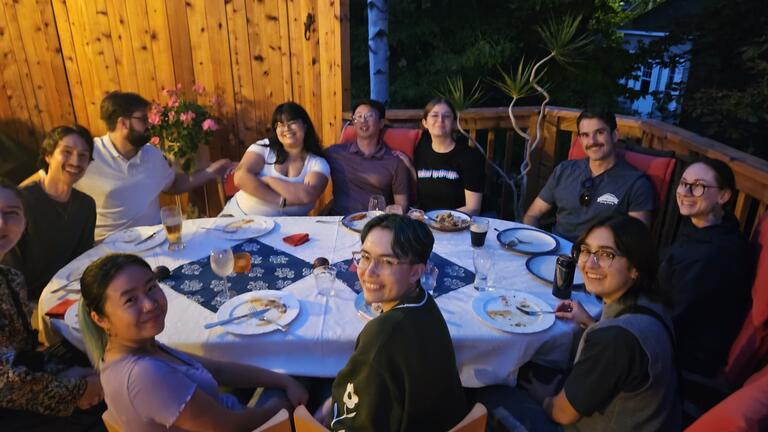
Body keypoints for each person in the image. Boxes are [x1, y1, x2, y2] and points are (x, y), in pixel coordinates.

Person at [78, 253, 309, 431]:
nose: (149, 304)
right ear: (100, 319)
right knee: (316, 379)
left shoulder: (138, 347)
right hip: (239, 424)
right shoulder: (144, 375)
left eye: (151, 287)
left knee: (294, 374)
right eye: (130, 300)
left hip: (229, 412)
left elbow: (219, 370)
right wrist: (282, 408)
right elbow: (229, 426)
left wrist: (282, 380)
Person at [318, 214, 468, 431]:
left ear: (416, 272)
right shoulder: (424, 302)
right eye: (366, 257)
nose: (368, 272)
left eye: (387, 262)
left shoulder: (381, 337)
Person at [544, 215, 680, 430]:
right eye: (586, 250)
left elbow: (562, 414)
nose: (589, 264)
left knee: (495, 392)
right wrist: (591, 322)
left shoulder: (615, 340)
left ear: (635, 267)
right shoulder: (654, 304)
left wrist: (540, 397)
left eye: (606, 254)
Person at [0, 178, 104, 430]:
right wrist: (78, 390)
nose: (2, 223)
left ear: (25, 222)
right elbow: (5, 383)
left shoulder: (11, 278)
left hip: (24, 380)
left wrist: (61, 372)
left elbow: (20, 354)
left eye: (11, 214)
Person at [74, 91, 232, 241]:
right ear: (123, 123)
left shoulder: (152, 154)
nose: (149, 124)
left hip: (155, 240)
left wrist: (212, 171)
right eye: (143, 119)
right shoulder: (87, 155)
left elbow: (173, 185)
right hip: (109, 248)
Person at [659, 158, 754, 377]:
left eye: (699, 186)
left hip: (680, 359)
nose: (686, 191)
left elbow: (675, 318)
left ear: (724, 196)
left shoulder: (712, 257)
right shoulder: (715, 226)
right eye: (683, 183)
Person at [523, 109, 655, 241]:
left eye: (599, 132)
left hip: (597, 258)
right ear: (580, 140)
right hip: (556, 250)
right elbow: (532, 215)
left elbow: (637, 241)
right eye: (585, 135)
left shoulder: (636, 183)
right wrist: (534, 242)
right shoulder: (564, 170)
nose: (592, 141)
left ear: (614, 135)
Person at [2, 126, 96, 302]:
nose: (75, 162)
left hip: (71, 295)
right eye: (67, 152)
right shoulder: (20, 204)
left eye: (83, 155)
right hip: (28, 301)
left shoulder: (86, 206)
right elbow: (9, 269)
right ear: (48, 156)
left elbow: (83, 259)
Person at [223, 102, 330, 216]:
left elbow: (308, 195)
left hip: (290, 229)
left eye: (292, 123)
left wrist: (268, 180)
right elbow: (240, 177)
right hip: (239, 216)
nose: (286, 128)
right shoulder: (263, 148)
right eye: (280, 125)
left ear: (305, 125)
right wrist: (279, 201)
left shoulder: (317, 163)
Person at [396, 98, 484, 214]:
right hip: (427, 221)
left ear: (453, 123)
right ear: (425, 123)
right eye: (434, 115)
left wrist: (438, 219)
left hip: (461, 222)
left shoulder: (469, 157)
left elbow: (473, 208)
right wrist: (409, 166)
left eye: (446, 116)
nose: (440, 120)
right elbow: (427, 180)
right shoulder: (421, 149)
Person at [325, 99, 410, 215]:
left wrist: (392, 212)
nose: (363, 120)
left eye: (369, 116)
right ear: (353, 123)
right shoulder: (335, 153)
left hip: (374, 223)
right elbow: (309, 158)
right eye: (358, 116)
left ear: (381, 123)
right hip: (339, 222)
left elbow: (401, 205)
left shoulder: (395, 162)